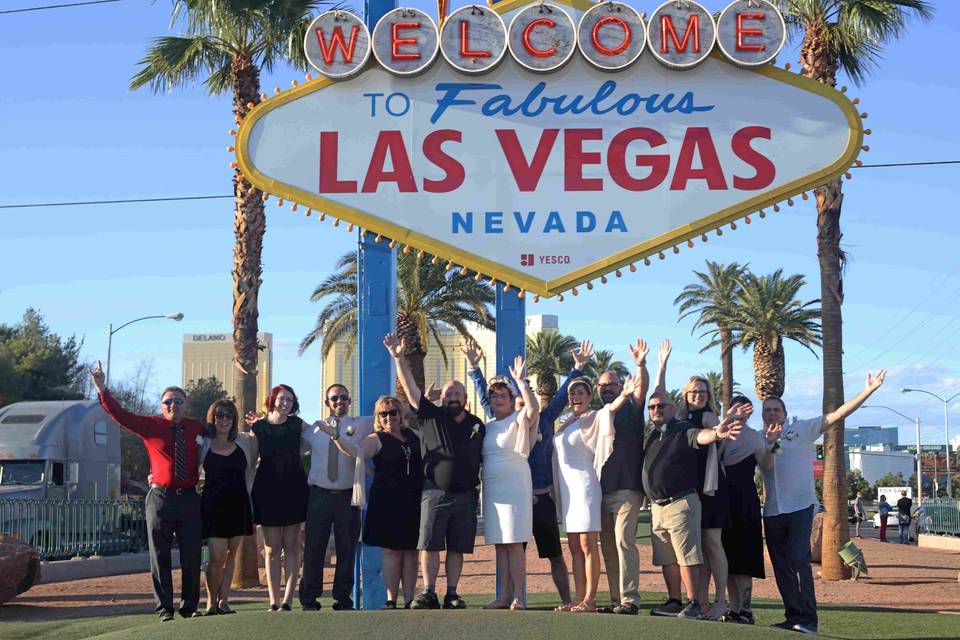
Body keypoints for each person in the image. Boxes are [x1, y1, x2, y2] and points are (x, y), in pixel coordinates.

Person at [463, 339, 593, 609]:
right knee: (505, 545)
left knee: (554, 554)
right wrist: (474, 367)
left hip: (538, 496)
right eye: (511, 398)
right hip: (500, 491)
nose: (512, 402)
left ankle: (567, 600)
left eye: (510, 397)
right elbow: (485, 395)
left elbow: (556, 400)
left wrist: (577, 369)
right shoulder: (494, 419)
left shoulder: (539, 418)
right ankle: (507, 595)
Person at [761, 369, 886, 635]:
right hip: (772, 511)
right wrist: (770, 443)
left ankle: (808, 619)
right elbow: (766, 466)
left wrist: (869, 390)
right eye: (767, 410)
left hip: (800, 507)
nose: (771, 413)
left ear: (784, 412)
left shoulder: (802, 429)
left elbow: (838, 414)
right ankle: (792, 616)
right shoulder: (761, 440)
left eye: (775, 409)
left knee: (798, 560)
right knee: (781, 566)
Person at [89, 361, 204, 622]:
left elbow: (222, 437)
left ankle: (189, 606)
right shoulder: (151, 426)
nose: (172, 405)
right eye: (167, 402)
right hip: (160, 499)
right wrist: (102, 388)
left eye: (177, 401)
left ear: (186, 405)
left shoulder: (197, 428)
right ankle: (165, 608)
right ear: (161, 407)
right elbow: (120, 415)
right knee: (160, 556)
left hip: (188, 499)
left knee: (192, 555)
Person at [385, 332, 486, 610]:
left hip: (466, 495)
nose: (453, 396)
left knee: (457, 547)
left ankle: (452, 593)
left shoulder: (478, 424)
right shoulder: (431, 414)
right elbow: (409, 388)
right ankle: (429, 592)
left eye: (458, 393)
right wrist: (398, 357)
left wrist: (475, 366)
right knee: (428, 545)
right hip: (434, 492)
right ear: (440, 397)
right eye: (448, 393)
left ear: (465, 398)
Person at [644, 391, 744, 620]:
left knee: (686, 557)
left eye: (661, 406)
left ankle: (695, 603)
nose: (656, 410)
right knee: (666, 558)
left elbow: (701, 436)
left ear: (673, 407)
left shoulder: (682, 428)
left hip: (680, 502)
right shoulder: (652, 434)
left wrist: (717, 433)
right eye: (651, 407)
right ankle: (674, 601)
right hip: (657, 506)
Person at [553, 368, 645, 613]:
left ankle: (590, 600)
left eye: (581, 392)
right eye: (572, 393)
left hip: (586, 487)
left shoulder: (595, 415)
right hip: (569, 491)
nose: (576, 396)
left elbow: (611, 409)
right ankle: (579, 597)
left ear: (589, 395)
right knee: (574, 546)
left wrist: (625, 395)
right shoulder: (566, 422)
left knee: (587, 544)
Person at [323, 395, 423, 609]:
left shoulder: (414, 435)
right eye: (383, 414)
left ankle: (410, 600)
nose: (388, 417)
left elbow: (434, 445)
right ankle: (391, 600)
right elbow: (354, 452)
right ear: (378, 417)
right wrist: (336, 437)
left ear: (400, 414)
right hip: (387, 501)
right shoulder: (375, 439)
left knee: (412, 550)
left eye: (392, 412)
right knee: (391, 550)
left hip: (414, 499)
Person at [654, 341, 729, 621]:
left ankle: (720, 600)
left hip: (710, 490)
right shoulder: (681, 418)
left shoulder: (709, 417)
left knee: (712, 544)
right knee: (695, 549)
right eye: (693, 391)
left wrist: (718, 431)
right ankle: (702, 601)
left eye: (702, 391)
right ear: (685, 395)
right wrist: (662, 364)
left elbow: (714, 439)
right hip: (687, 491)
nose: (698, 395)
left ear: (709, 395)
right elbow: (658, 396)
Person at [298, 384, 374, 611]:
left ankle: (343, 598)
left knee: (346, 548)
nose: (339, 402)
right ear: (327, 403)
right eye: (334, 398)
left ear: (349, 401)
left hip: (347, 497)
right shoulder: (313, 429)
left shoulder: (360, 424)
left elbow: (391, 412)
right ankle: (309, 598)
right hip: (318, 496)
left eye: (343, 398)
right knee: (314, 548)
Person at [476, 357, 540, 610]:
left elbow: (534, 409)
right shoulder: (488, 425)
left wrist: (520, 381)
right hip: (492, 489)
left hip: (516, 485)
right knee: (500, 544)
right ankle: (502, 596)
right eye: (494, 396)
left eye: (503, 395)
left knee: (514, 543)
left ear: (512, 399)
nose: (498, 399)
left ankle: (518, 597)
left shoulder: (519, 418)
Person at [595, 339, 652, 615]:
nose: (607, 389)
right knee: (607, 547)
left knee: (623, 540)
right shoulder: (597, 416)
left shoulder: (632, 408)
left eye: (612, 385)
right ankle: (617, 599)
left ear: (621, 386)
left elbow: (642, 389)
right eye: (603, 386)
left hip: (628, 488)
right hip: (600, 491)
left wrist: (640, 364)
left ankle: (630, 599)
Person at [248, 384, 310, 611]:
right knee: (272, 548)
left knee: (292, 546)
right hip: (267, 489)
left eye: (290, 400)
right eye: (283, 398)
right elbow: (250, 460)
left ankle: (288, 600)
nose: (286, 403)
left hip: (294, 487)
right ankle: (273, 600)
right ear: (273, 399)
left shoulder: (297, 424)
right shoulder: (259, 426)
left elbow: (319, 439)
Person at [718, 395, 774, 625]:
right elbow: (716, 455)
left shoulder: (755, 438)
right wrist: (728, 420)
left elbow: (767, 464)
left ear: (750, 412)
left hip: (745, 501)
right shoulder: (720, 432)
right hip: (721, 500)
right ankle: (733, 608)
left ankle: (746, 610)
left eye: (744, 408)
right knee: (727, 559)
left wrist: (774, 443)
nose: (740, 412)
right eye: (734, 408)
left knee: (744, 558)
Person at [199, 399, 255, 616]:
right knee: (216, 557)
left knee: (232, 556)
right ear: (212, 419)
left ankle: (224, 601)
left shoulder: (245, 442)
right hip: (213, 506)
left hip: (238, 504)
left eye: (229, 416)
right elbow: (188, 466)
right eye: (219, 416)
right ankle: (211, 602)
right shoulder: (204, 443)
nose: (224, 420)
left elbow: (252, 469)